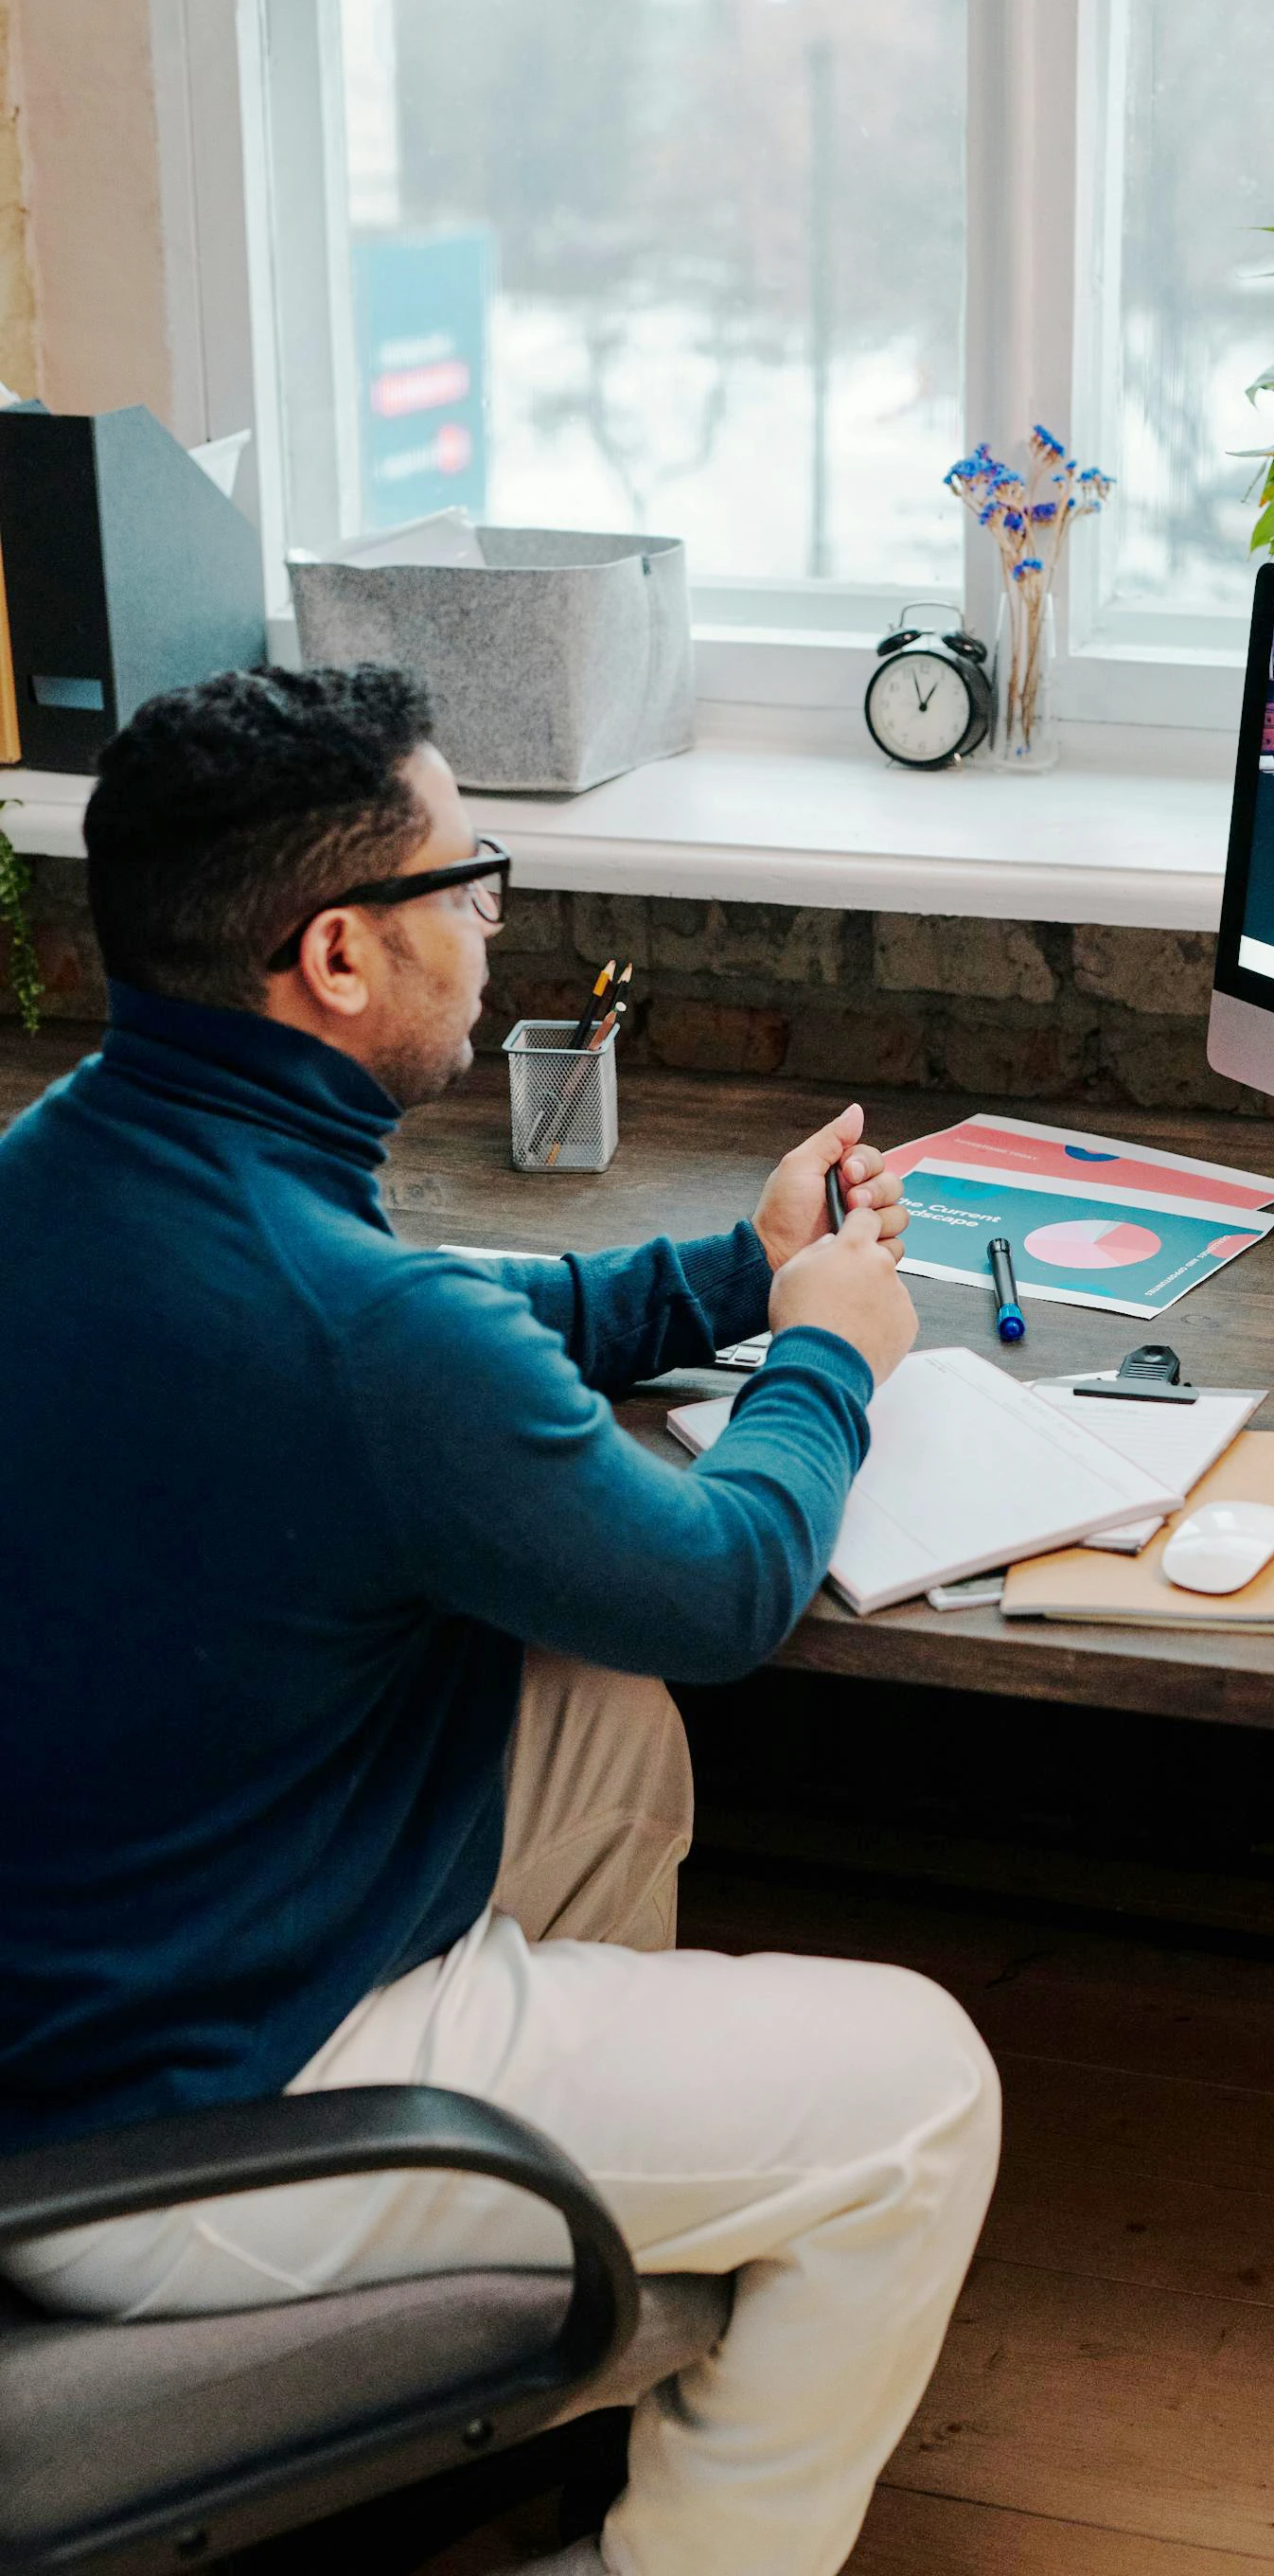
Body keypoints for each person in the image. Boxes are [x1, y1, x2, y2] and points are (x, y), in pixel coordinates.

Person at [0, 666, 1000, 2576]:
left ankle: (581, 2272)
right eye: (472, 882)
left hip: (86, 1977)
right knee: (922, 2097)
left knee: (589, 1709)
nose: (495, 920)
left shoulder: (78, 1166)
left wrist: (741, 1267)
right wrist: (828, 1356)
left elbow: (431, 1325)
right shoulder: (362, 1337)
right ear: (341, 956)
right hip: (169, 2124)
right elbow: (720, 1587)